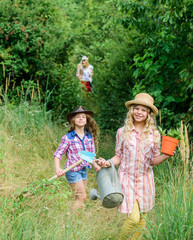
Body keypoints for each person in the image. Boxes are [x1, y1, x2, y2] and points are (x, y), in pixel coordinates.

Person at [98, 93, 172, 240]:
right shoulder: (122, 132)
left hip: (145, 181)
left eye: (143, 110)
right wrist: (107, 162)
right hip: (127, 179)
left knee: (142, 218)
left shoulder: (155, 135)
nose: (139, 112)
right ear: (131, 110)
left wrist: (165, 156)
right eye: (136, 108)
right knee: (133, 218)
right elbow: (118, 155)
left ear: (149, 114)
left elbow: (153, 160)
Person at [53, 106, 100, 211]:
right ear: (73, 120)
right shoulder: (68, 138)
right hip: (72, 171)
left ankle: (75, 221)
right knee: (82, 197)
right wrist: (58, 168)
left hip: (83, 170)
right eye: (78, 117)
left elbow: (91, 155)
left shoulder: (89, 137)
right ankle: (70, 219)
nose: (81, 118)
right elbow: (58, 154)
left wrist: (95, 165)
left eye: (83, 117)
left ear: (86, 120)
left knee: (78, 197)